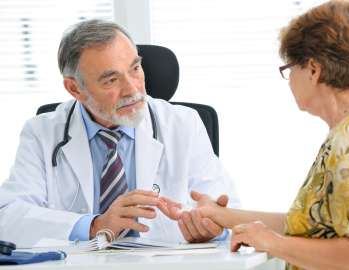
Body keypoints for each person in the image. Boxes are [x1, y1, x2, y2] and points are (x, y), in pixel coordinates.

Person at [171, 1, 349, 269]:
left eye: (289, 69)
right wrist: (221, 215)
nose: (289, 79)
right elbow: (310, 227)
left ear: (313, 70)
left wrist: (273, 243)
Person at [0, 19, 239, 247]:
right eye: (111, 80)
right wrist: (94, 226)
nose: (132, 89)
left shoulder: (182, 124)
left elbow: (229, 213)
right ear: (74, 88)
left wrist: (215, 228)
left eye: (135, 68)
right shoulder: (41, 133)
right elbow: (7, 217)